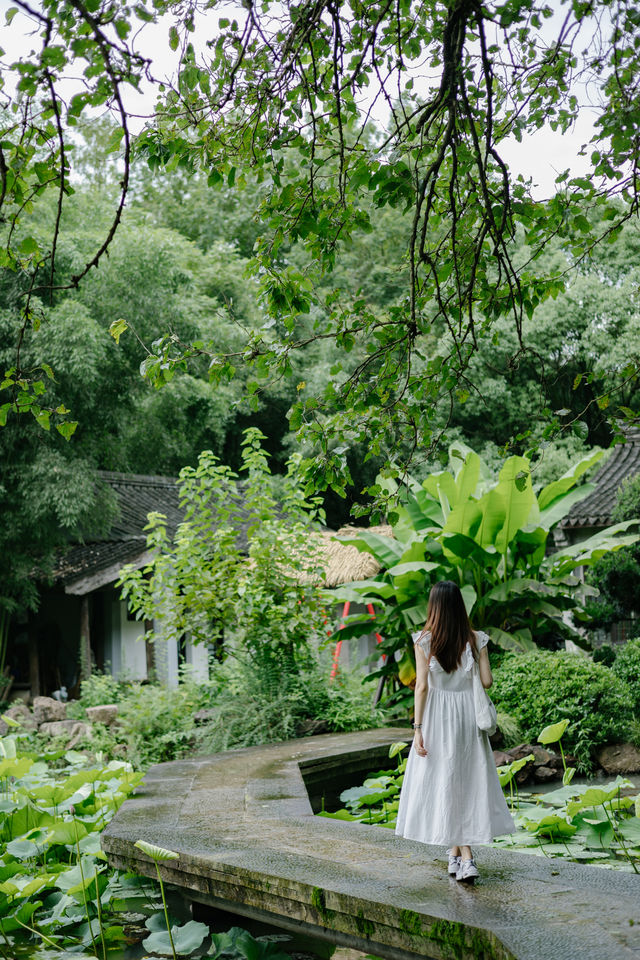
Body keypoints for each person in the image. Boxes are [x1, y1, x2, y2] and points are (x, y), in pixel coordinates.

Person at [395, 580, 515, 882]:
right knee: (464, 781)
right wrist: (477, 656)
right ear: (460, 606)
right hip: (467, 718)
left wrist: (417, 729)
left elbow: (421, 686)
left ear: (433, 607)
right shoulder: (476, 639)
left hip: (437, 717)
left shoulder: (423, 640)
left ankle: (467, 858)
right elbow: (487, 682)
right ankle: (455, 853)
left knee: (445, 780)